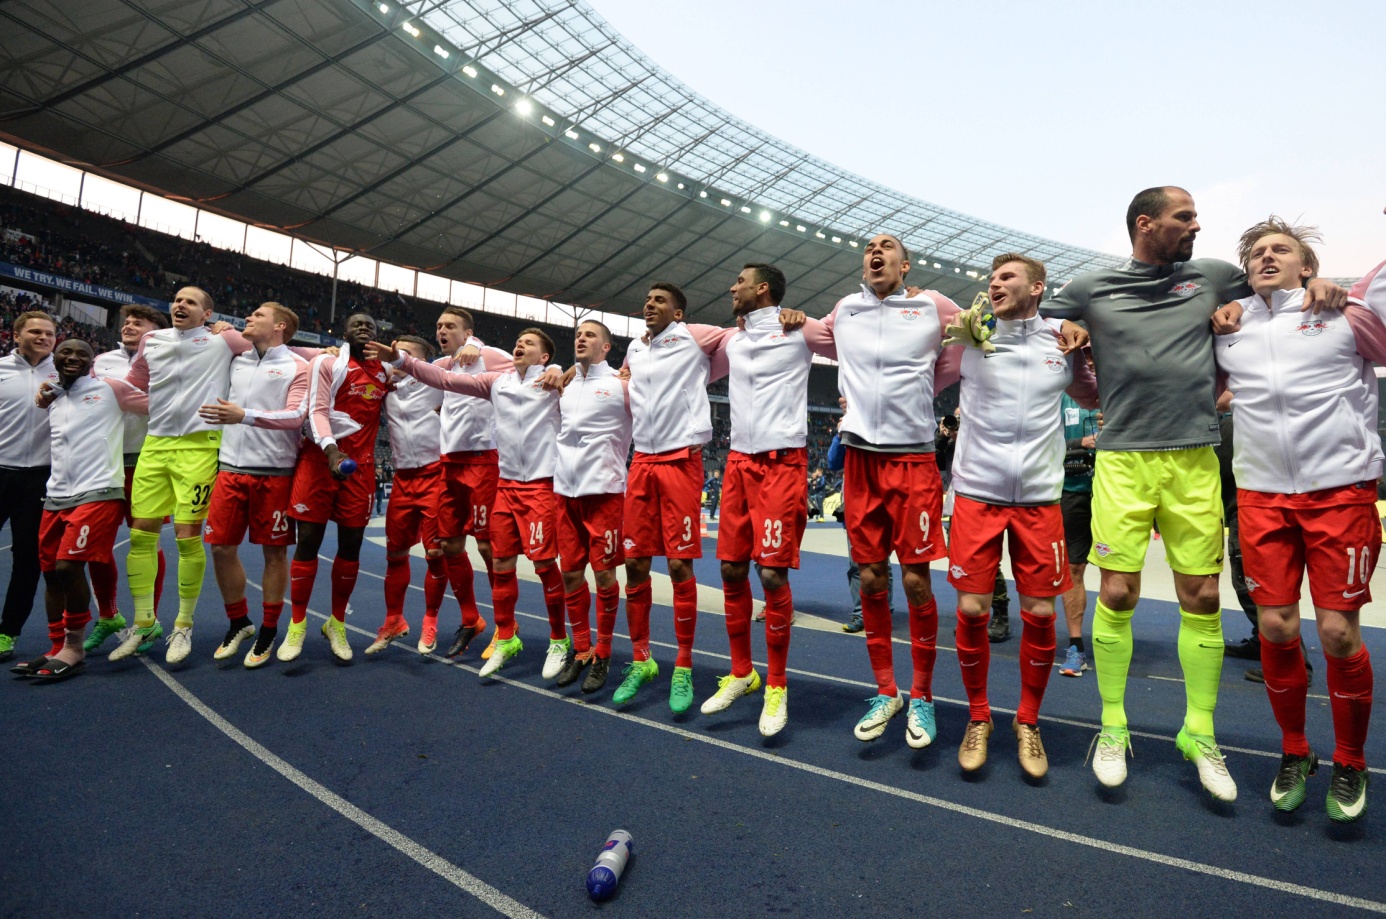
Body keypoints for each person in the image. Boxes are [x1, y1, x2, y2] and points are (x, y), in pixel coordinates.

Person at [1042, 187, 1345, 799]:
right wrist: (1068, 327)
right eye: (1185, 217)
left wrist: (1323, 286)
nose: (1197, 225)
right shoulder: (1090, 286)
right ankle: (1112, 724)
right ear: (1145, 223)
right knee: (1120, 589)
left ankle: (1200, 733)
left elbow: (1277, 287)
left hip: (1195, 457)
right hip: (1122, 457)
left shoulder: (1211, 275)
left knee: (1203, 596)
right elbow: (1031, 320)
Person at [1215, 217, 1386, 821]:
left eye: (1280, 250)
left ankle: (1351, 758)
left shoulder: (1345, 311)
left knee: (1339, 634)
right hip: (1260, 494)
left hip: (1339, 490)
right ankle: (1295, 752)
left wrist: (1352, 293)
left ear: (1307, 266)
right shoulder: (1228, 327)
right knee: (1277, 629)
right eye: (1256, 252)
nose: (1266, 257)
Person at [942, 254, 1098, 778]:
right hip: (976, 494)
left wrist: (1088, 345)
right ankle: (979, 716)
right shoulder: (968, 334)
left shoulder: (1063, 340)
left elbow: (1095, 394)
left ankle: (1027, 721)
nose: (994, 283)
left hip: (1039, 499)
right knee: (970, 612)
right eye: (991, 278)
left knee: (1041, 615)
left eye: (1007, 277)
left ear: (1037, 287)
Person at [821, 233, 962, 746]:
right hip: (860, 461)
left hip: (913, 461)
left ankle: (922, 696)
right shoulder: (846, 310)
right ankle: (887, 691)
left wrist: (934, 378)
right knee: (873, 578)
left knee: (918, 583)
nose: (875, 252)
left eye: (886, 247)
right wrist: (782, 320)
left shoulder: (932, 306)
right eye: (869, 247)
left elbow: (976, 333)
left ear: (906, 264)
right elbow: (813, 338)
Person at [369, 329, 568, 680]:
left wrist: (565, 371)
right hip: (506, 486)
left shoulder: (556, 384)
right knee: (501, 561)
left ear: (544, 357)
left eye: (529, 343)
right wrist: (399, 359)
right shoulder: (497, 382)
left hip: (540, 486)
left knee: (543, 565)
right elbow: (444, 377)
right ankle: (506, 637)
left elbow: (594, 380)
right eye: (518, 340)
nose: (519, 343)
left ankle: (559, 639)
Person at [700, 263, 835, 737]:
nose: (730, 286)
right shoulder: (731, 339)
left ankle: (776, 685)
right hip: (738, 462)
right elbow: (677, 344)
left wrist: (910, 298)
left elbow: (854, 339)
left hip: (783, 463)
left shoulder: (799, 331)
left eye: (738, 281)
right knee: (731, 569)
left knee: (772, 572)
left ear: (761, 289)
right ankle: (743, 673)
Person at [109, 287, 260, 665]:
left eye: (191, 302)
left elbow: (275, 352)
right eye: (177, 300)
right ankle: (144, 623)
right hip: (155, 444)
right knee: (140, 531)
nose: (180, 305)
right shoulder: (151, 339)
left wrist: (324, 353)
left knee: (186, 534)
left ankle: (183, 625)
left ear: (207, 313)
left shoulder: (222, 338)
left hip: (199, 447)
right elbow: (135, 383)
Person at [610, 283, 731, 711]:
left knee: (679, 564)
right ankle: (641, 659)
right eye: (647, 299)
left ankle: (682, 666)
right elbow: (621, 383)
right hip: (641, 460)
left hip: (682, 459)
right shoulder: (634, 349)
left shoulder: (697, 336)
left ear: (678, 312)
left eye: (660, 300)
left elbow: (745, 334)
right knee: (635, 562)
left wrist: (784, 317)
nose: (649, 304)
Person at [20, 339, 147, 679]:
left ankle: (74, 649)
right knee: (50, 572)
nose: (73, 358)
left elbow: (161, 407)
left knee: (68, 565)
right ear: (55, 358)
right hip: (56, 494)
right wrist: (48, 394)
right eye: (67, 352)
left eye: (82, 355)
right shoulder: (55, 395)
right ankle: (55, 646)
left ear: (93, 362)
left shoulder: (111, 388)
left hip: (100, 491)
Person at [195, 303, 312, 667]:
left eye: (257, 315)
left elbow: (296, 416)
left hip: (274, 472)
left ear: (279, 326)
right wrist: (218, 326)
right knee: (219, 549)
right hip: (230, 468)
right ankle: (238, 622)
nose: (248, 318)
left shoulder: (299, 366)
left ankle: (269, 629)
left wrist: (244, 416)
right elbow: (215, 329)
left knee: (273, 553)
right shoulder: (237, 357)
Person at [281, 313, 389, 663]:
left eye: (370, 326)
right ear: (342, 332)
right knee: (308, 544)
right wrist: (330, 450)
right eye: (356, 324)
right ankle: (297, 625)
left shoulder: (385, 372)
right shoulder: (327, 362)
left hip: (360, 470)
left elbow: (423, 372)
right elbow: (317, 410)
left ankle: (336, 623)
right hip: (320, 461)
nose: (364, 328)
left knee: (351, 549)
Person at [550, 320, 631, 694]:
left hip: (606, 493)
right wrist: (554, 370)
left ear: (607, 347)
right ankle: (580, 649)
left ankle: (603, 653)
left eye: (590, 335)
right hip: (565, 492)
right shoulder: (564, 385)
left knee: (604, 578)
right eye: (578, 334)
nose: (580, 338)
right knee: (569, 574)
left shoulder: (622, 384)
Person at [428, 308, 514, 658]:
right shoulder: (443, 365)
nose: (442, 330)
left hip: (482, 461)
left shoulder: (489, 356)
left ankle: (506, 627)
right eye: (438, 325)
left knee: (487, 547)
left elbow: (532, 366)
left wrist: (478, 346)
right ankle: (470, 619)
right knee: (448, 543)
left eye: (450, 325)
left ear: (468, 332)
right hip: (449, 462)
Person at [86, 304, 169, 653]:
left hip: (147, 462)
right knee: (94, 546)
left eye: (140, 322)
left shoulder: (169, 359)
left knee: (145, 544)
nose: (130, 325)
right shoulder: (101, 360)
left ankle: (146, 621)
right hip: (103, 463)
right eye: (127, 321)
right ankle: (108, 616)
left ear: (156, 331)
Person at [365, 335, 452, 656]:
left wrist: (476, 344)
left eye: (402, 352)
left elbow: (479, 360)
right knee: (395, 554)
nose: (393, 356)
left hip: (435, 476)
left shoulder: (437, 377)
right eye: (391, 351)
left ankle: (430, 620)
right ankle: (393, 620)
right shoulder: (386, 387)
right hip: (403, 479)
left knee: (435, 554)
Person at [0, 310, 59, 662]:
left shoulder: (67, 374)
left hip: (40, 478)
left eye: (49, 333)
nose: (43, 337)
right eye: (35, 331)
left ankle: (7, 632)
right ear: (16, 334)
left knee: (27, 560)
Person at [1058, 394, 1100, 677]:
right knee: (1073, 567)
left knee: (1118, 573)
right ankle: (1076, 647)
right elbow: (1036, 442)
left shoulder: (1116, 387)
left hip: (1114, 491)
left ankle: (1113, 641)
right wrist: (1078, 443)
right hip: (1070, 491)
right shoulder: (1058, 396)